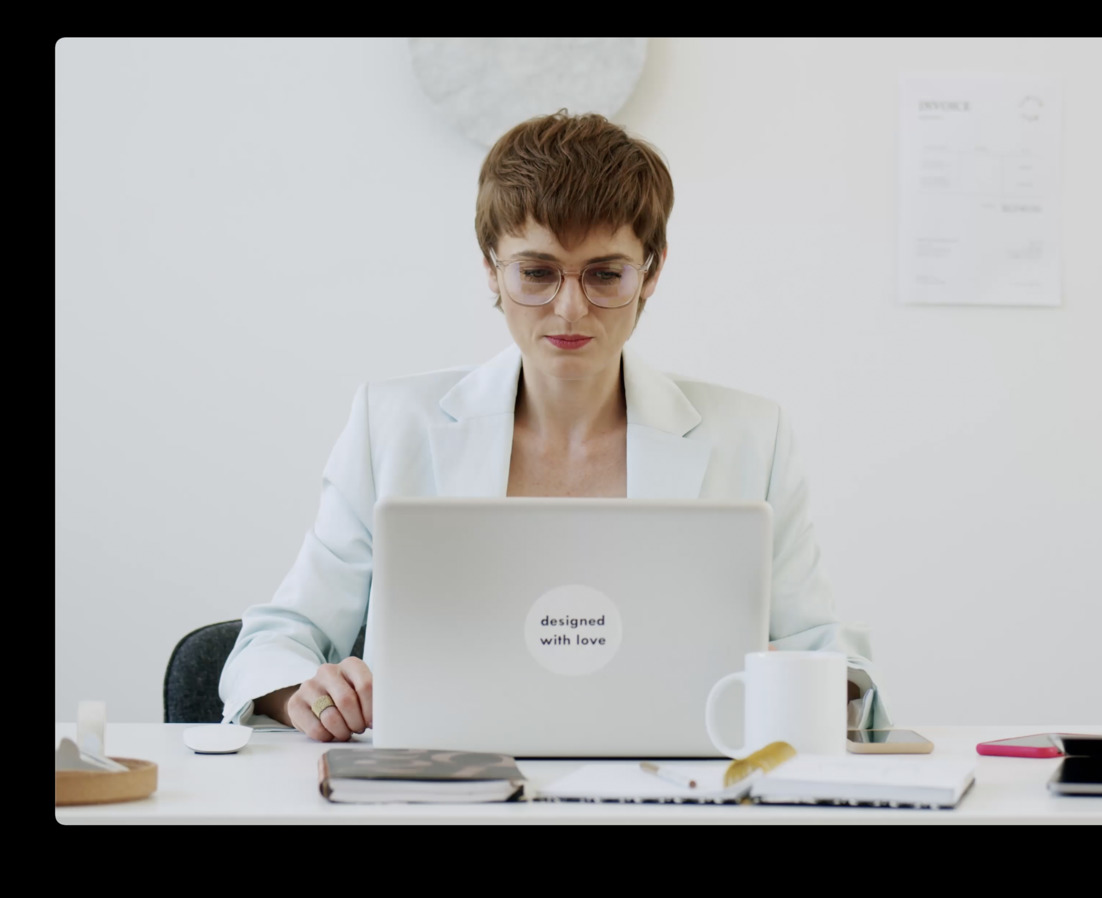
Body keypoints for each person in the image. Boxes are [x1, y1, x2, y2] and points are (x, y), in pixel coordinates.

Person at [218, 110, 887, 741]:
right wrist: (305, 689)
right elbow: (276, 641)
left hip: (676, 785)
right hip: (444, 788)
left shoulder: (751, 436)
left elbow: (836, 667)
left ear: (650, 272)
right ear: (491, 269)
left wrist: (801, 684)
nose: (570, 308)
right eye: (536, 272)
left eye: (605, 275)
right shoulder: (391, 425)